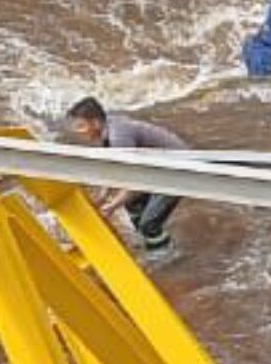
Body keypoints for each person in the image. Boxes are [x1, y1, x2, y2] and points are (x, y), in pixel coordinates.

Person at [64, 97, 186, 250]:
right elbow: (115, 168)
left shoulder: (118, 137)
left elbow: (134, 182)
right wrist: (102, 196)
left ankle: (166, 253)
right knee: (132, 204)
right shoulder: (108, 127)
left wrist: (112, 206)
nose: (78, 132)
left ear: (95, 123)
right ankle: (148, 241)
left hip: (177, 171)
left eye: (81, 126)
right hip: (156, 167)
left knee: (148, 224)